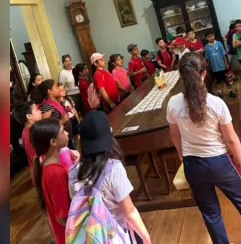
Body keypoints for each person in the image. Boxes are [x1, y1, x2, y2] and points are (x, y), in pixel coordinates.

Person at [167, 53, 241, 243]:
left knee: (210, 213)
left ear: (181, 76)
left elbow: (175, 136)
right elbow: (231, 139)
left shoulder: (173, 103)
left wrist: (183, 158)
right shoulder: (216, 103)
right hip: (220, 163)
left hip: (193, 165)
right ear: (204, 73)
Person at [69, 111, 152, 244]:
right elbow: (129, 212)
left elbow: (77, 202)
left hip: (91, 236)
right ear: (110, 133)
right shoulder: (114, 168)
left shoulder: (73, 172)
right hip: (116, 234)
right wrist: (146, 237)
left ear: (79, 139)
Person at [31, 119, 72, 244]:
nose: (67, 133)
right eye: (62, 131)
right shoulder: (56, 174)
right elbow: (62, 218)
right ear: (53, 142)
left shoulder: (47, 167)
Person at [12, 100, 43, 185]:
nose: (40, 111)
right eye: (36, 110)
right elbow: (36, 156)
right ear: (29, 116)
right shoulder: (31, 133)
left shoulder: (28, 130)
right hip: (42, 170)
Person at [39, 80, 75, 149]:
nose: (59, 88)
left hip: (67, 137)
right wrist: (61, 121)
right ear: (49, 91)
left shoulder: (57, 100)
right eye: (56, 87)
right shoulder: (47, 106)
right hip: (60, 140)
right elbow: (45, 126)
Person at [204, 31, 237, 99]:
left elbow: (224, 54)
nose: (211, 38)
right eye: (209, 37)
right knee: (217, 80)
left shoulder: (219, 44)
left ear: (214, 35)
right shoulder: (206, 47)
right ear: (206, 38)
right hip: (214, 67)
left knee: (226, 79)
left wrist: (226, 63)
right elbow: (208, 58)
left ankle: (230, 91)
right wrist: (209, 67)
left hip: (222, 65)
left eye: (212, 36)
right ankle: (219, 92)